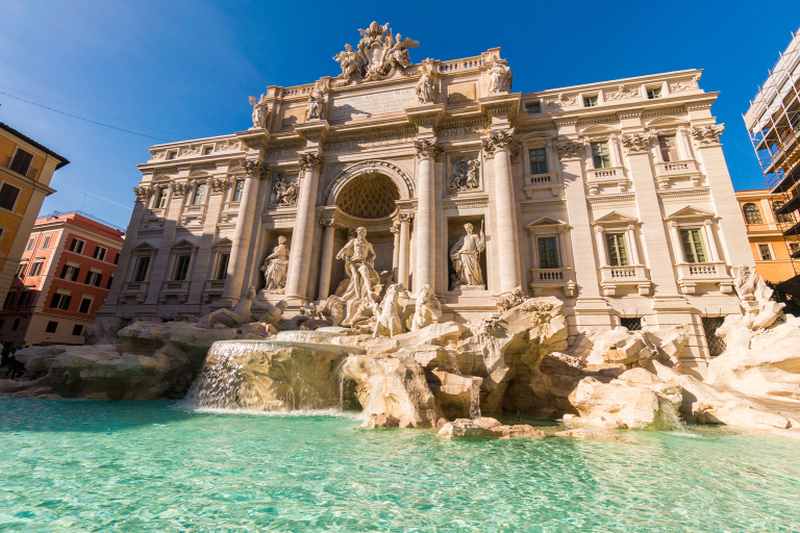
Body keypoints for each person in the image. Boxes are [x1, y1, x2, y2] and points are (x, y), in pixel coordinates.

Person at [450, 222, 486, 287]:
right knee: (465, 269)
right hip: (463, 254)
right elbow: (458, 246)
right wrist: (457, 252)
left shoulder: (475, 236)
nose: (467, 229)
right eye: (466, 228)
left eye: (469, 228)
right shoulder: (463, 237)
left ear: (471, 228)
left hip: (472, 255)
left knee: (473, 270)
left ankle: (473, 282)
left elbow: (480, 247)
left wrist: (482, 236)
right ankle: (467, 282)